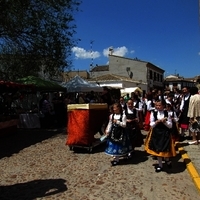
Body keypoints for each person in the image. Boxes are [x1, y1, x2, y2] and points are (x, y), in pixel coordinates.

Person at [144, 99, 176, 172]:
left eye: (159, 105)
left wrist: (165, 122)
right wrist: (156, 122)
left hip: (165, 133)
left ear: (163, 106)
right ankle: (160, 165)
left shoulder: (168, 113)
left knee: (165, 148)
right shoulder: (153, 113)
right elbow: (151, 124)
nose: (158, 107)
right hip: (157, 133)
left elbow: (170, 126)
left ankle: (167, 160)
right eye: (156, 105)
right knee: (157, 149)